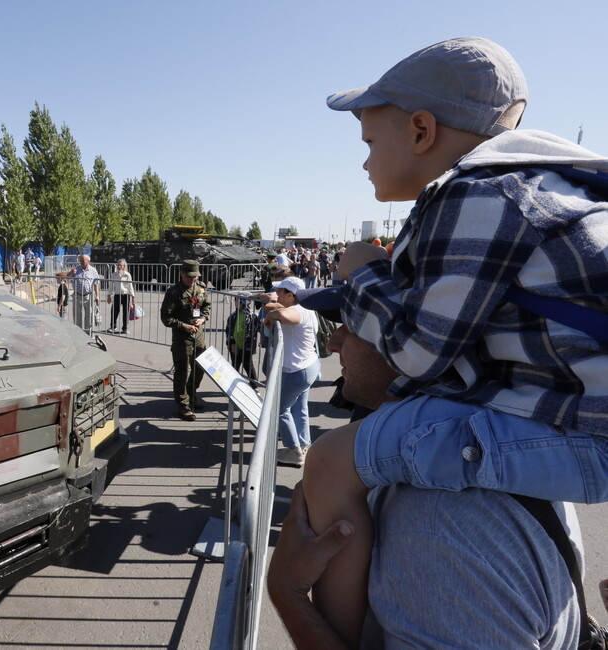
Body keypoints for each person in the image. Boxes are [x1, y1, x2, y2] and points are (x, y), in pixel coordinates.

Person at [300, 36, 608, 644]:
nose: (363, 161)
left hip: (582, 440)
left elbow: (415, 351)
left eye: (368, 142)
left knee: (331, 461)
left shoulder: (481, 194)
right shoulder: (546, 186)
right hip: (575, 424)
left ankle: (340, 630)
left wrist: (359, 272)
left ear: (421, 130)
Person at [268, 314, 584, 649]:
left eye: (356, 326)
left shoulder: (438, 525)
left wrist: (288, 596)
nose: (333, 342)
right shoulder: (488, 455)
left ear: (425, 347)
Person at [260, 276, 320, 467]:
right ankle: (303, 446)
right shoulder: (307, 308)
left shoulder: (297, 311)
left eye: (280, 291)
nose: (277, 293)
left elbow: (284, 316)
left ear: (290, 294)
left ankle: (294, 451)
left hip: (296, 370)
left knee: (279, 410)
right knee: (299, 408)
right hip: (307, 366)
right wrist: (271, 304)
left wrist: (270, 315)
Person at [160, 259, 211, 421]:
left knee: (200, 368)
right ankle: (183, 405)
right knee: (182, 372)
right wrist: (183, 326)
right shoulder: (174, 293)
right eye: (189, 276)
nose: (192, 280)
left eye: (195, 276)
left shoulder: (201, 289)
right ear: (181, 273)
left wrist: (202, 319)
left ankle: (191, 393)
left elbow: (206, 307)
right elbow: (165, 317)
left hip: (199, 338)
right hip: (182, 340)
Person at [224, 297, 258, 385]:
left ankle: (254, 385)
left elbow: (258, 329)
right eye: (235, 300)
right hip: (235, 346)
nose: (235, 302)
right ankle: (233, 385)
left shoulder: (252, 316)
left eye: (238, 300)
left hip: (247, 347)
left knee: (248, 365)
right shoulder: (233, 316)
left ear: (245, 302)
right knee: (235, 366)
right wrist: (232, 343)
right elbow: (229, 330)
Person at [68, 254, 100, 333]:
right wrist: (70, 273)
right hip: (77, 295)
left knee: (89, 315)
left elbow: (96, 283)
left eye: (83, 260)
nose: (81, 262)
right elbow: (67, 277)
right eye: (80, 260)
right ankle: (78, 332)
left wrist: (97, 295)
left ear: (88, 261)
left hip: (88, 296)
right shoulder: (76, 269)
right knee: (77, 315)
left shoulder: (93, 270)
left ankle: (88, 332)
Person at [107, 258, 135, 334]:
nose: (119, 267)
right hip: (117, 295)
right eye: (118, 265)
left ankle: (125, 328)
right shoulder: (114, 274)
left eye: (120, 265)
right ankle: (113, 326)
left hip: (126, 295)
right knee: (114, 311)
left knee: (126, 312)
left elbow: (130, 286)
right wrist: (109, 295)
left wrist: (133, 297)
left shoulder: (127, 275)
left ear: (124, 266)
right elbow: (111, 286)